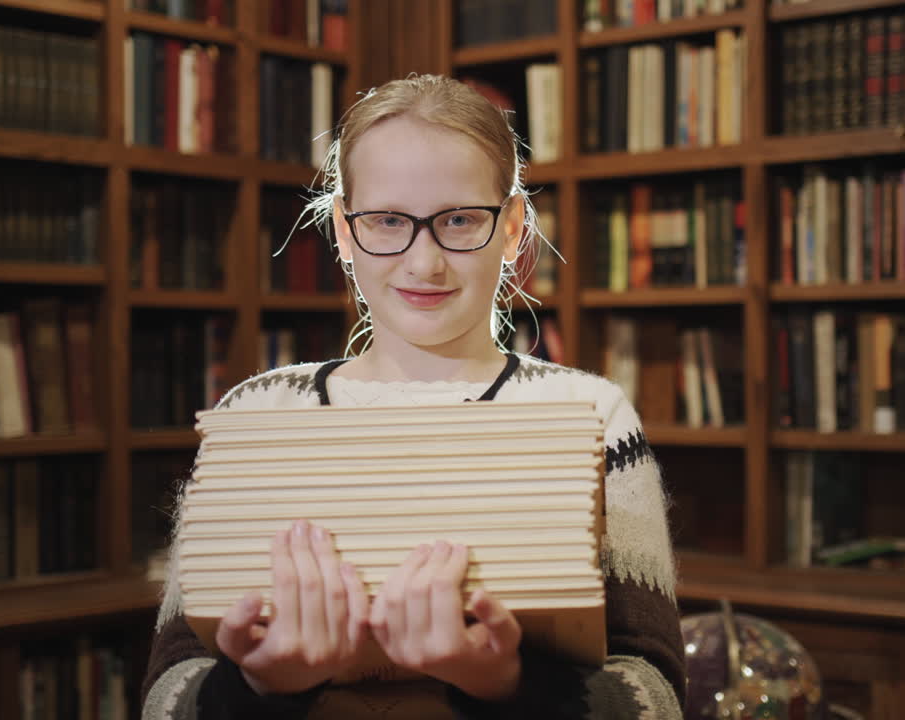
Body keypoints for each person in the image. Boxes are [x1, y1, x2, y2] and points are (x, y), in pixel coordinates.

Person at [141, 73, 685, 719]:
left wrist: (505, 685)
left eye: (459, 220)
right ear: (344, 231)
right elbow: (165, 700)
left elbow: (654, 698)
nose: (423, 262)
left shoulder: (590, 416)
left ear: (512, 227)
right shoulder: (255, 417)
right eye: (388, 220)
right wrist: (259, 689)